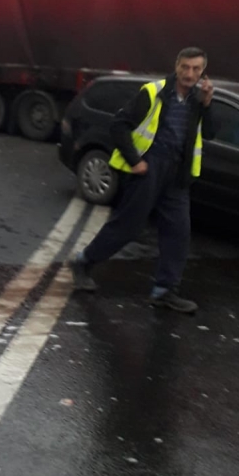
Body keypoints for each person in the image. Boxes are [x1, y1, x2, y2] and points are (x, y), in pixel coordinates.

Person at [69, 47, 216, 313]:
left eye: (196, 69)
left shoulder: (198, 99)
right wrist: (135, 161)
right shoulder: (154, 92)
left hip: (177, 175)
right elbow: (119, 125)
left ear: (202, 71)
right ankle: (83, 262)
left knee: (178, 233)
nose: (189, 73)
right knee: (127, 226)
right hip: (150, 168)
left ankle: (164, 291)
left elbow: (212, 133)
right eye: (185, 67)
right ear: (176, 65)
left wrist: (207, 104)